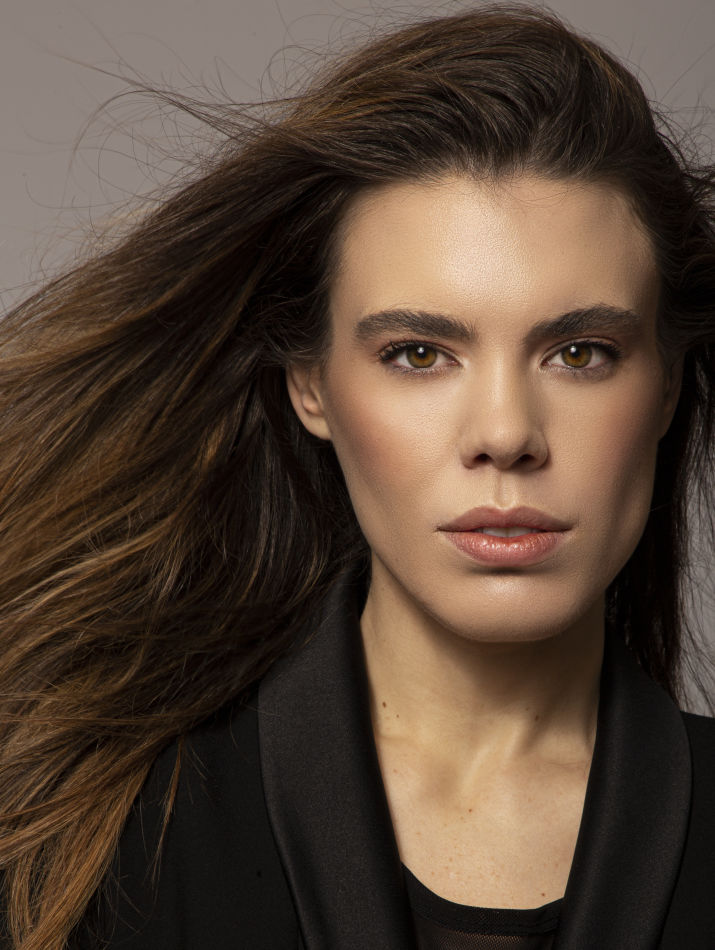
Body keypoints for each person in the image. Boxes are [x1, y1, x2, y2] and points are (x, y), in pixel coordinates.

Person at [0, 5, 714, 949]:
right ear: (310, 385)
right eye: (418, 354)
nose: (505, 434)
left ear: (665, 385)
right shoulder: (91, 838)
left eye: (579, 353)